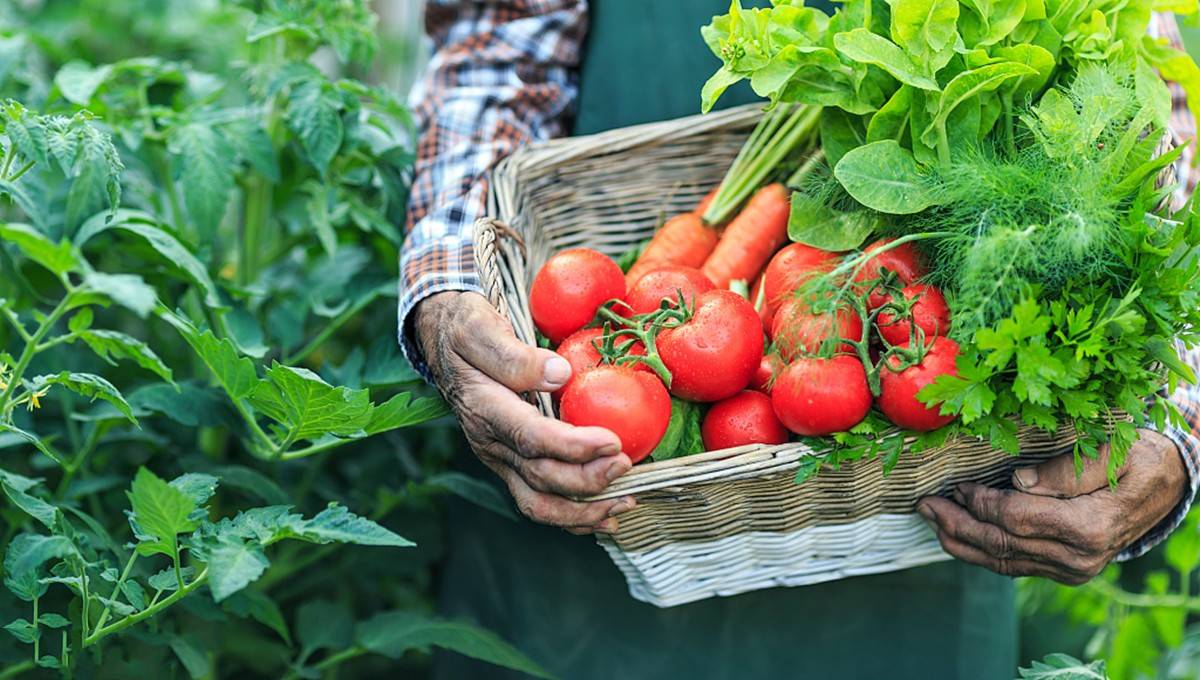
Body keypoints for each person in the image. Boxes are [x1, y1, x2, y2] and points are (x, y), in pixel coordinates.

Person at [398, 2, 1200, 677]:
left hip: (928, 543)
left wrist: (1171, 417)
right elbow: (493, 61)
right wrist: (450, 288)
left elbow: (1140, 112)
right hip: (577, 525)